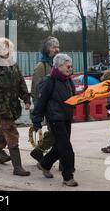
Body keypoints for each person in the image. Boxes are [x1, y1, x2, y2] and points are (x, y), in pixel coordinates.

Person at [0, 38, 32, 176]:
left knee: (2, 135)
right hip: (1, 108)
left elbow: (21, 83)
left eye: (8, 48)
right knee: (12, 134)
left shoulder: (13, 65)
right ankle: (17, 167)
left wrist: (26, 99)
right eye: (2, 48)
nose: (6, 51)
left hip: (13, 106)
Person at [32, 53, 78, 187]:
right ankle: (68, 176)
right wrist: (37, 119)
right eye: (67, 65)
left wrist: (83, 99)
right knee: (66, 148)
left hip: (66, 117)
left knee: (59, 146)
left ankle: (44, 164)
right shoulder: (49, 81)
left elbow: (72, 97)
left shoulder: (68, 80)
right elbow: (41, 101)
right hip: (55, 118)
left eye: (70, 64)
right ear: (58, 66)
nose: (70, 67)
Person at [30, 37, 60, 164]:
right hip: (48, 107)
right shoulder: (41, 66)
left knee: (57, 134)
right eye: (53, 47)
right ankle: (40, 154)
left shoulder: (58, 65)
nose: (57, 49)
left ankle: (43, 154)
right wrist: (38, 111)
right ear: (47, 49)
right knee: (56, 134)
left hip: (59, 106)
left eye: (58, 46)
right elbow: (36, 90)